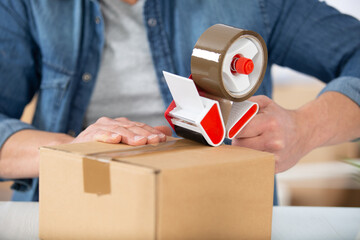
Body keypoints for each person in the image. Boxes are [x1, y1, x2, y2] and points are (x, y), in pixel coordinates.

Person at [0, 0, 359, 202]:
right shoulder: (27, 6)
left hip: (222, 212)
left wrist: (305, 128)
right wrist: (73, 150)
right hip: (77, 207)